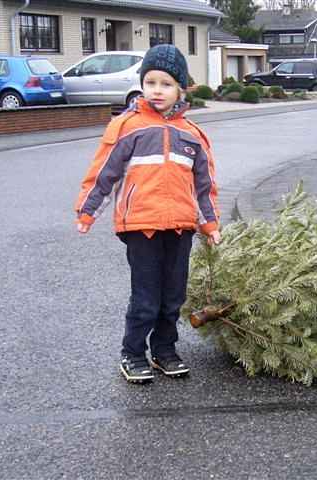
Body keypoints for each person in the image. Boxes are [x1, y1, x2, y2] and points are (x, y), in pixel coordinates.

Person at [74, 44, 220, 384]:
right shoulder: (128, 126)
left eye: (166, 84)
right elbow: (104, 174)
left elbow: (205, 185)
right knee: (145, 297)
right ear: (142, 84)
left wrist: (209, 224)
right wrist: (87, 211)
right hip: (141, 225)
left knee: (173, 297)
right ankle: (133, 354)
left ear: (181, 89)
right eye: (150, 82)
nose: (157, 90)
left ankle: (165, 351)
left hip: (181, 227)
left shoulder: (193, 135)